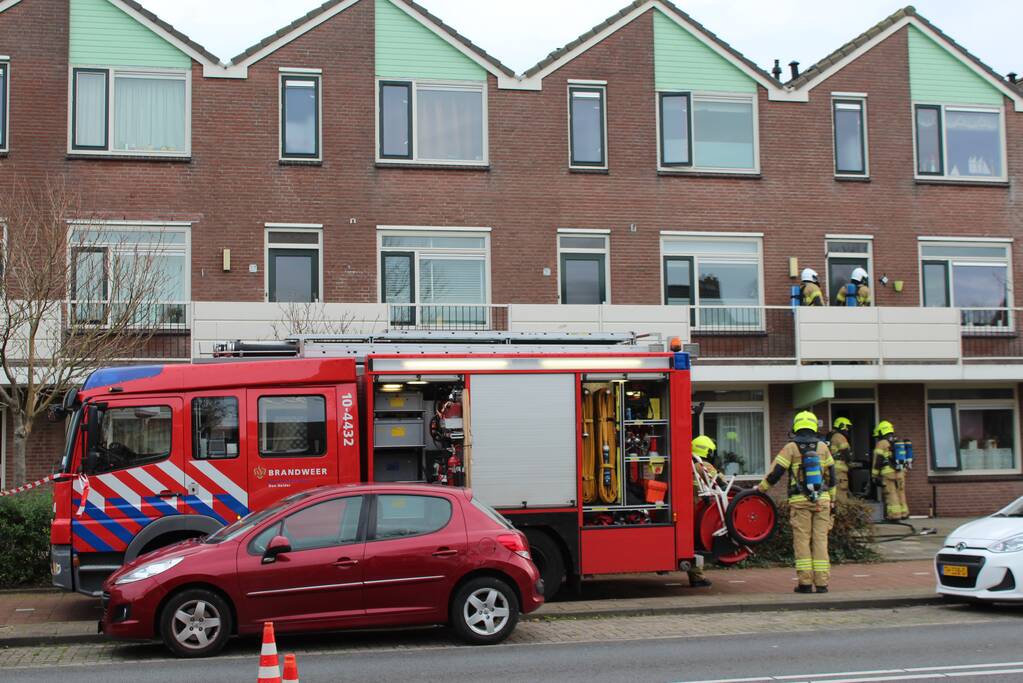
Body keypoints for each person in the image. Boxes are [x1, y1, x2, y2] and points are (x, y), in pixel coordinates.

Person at [758, 411, 836, 594]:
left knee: (802, 541)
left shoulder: (791, 447)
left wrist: (760, 490)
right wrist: (832, 500)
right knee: (820, 540)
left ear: (796, 427)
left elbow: (776, 472)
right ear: (814, 427)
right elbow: (832, 477)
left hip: (800, 501)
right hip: (822, 500)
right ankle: (822, 584)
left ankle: (805, 583)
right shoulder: (823, 447)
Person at [688, 435, 723, 588]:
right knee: (695, 542)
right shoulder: (703, 466)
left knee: (691, 543)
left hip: (688, 508)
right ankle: (697, 577)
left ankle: (696, 576)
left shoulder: (688, 463)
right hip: (695, 509)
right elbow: (720, 482)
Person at [872, 420, 909, 520]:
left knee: (891, 493)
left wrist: (874, 475)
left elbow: (878, 460)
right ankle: (904, 513)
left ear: (881, 431)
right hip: (900, 472)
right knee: (900, 492)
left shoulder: (881, 443)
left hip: (888, 473)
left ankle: (895, 515)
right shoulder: (896, 441)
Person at [828, 417, 853, 503]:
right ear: (842, 426)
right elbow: (846, 452)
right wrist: (850, 463)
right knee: (841, 490)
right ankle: (840, 511)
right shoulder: (840, 436)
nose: (848, 429)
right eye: (847, 427)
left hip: (834, 468)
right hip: (839, 469)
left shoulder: (833, 435)